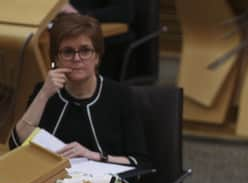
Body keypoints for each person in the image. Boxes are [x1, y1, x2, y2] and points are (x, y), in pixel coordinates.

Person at [10, 13, 149, 168]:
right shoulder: (46, 93)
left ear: (97, 57)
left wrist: (92, 156)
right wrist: (43, 95)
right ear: (55, 58)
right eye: (68, 52)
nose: (77, 59)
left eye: (85, 50)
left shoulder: (121, 96)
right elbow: (16, 144)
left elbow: (140, 163)